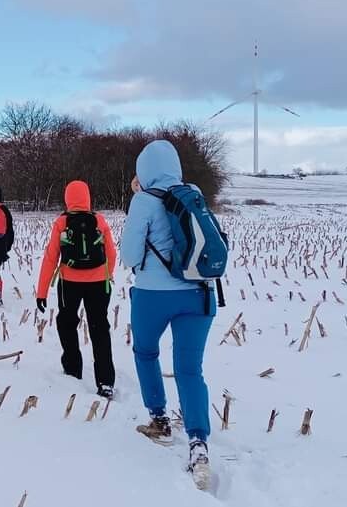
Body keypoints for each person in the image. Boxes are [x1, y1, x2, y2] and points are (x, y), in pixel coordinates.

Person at [120, 140, 216, 489]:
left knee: (146, 352)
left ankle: (159, 419)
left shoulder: (143, 201)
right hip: (198, 294)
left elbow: (130, 256)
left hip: (153, 295)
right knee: (190, 370)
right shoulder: (194, 194)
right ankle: (198, 443)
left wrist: (140, 198)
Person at [35, 180, 117, 399]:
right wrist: (107, 275)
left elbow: (50, 258)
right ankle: (105, 381)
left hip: (69, 283)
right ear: (88, 197)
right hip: (99, 283)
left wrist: (41, 292)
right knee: (99, 328)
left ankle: (72, 369)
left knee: (67, 323)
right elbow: (111, 253)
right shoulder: (99, 220)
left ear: (67, 198)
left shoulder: (62, 222)